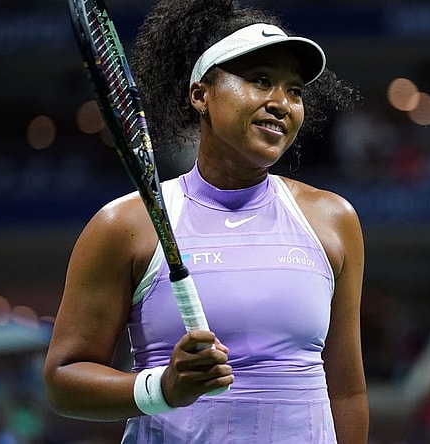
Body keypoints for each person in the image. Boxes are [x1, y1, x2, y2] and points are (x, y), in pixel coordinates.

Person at [43, 0, 368, 442]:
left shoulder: (333, 220)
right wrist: (162, 389)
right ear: (201, 95)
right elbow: (63, 381)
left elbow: (347, 391)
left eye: (294, 91)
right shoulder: (125, 225)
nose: (281, 103)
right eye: (260, 81)